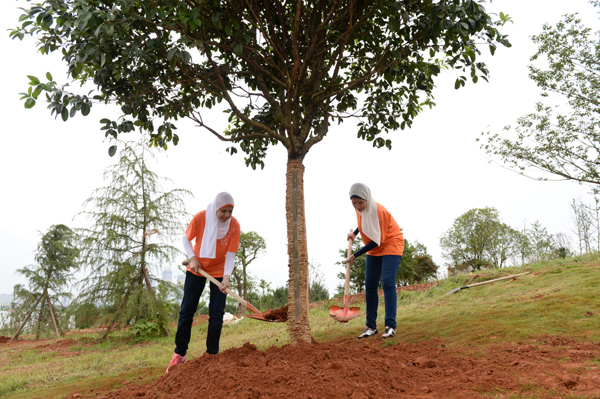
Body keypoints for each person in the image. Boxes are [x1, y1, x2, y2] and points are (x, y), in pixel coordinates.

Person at [166, 192, 240, 373]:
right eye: (224, 211)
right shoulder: (201, 218)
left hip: (220, 272)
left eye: (230, 211)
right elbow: (186, 238)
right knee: (186, 311)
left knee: (216, 314)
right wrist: (192, 257)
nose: (227, 215)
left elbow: (230, 255)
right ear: (216, 207)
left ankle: (211, 355)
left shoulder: (234, 226)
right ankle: (180, 354)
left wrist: (226, 279)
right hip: (197, 268)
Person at [346, 183, 404, 340]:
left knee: (387, 282)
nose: (357, 206)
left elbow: (376, 241)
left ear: (368, 198)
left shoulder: (380, 211)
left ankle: (390, 326)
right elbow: (364, 222)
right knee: (370, 285)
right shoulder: (360, 208)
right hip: (374, 244)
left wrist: (355, 255)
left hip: (390, 243)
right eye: (354, 203)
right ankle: (370, 326)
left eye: (360, 203)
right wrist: (355, 234)